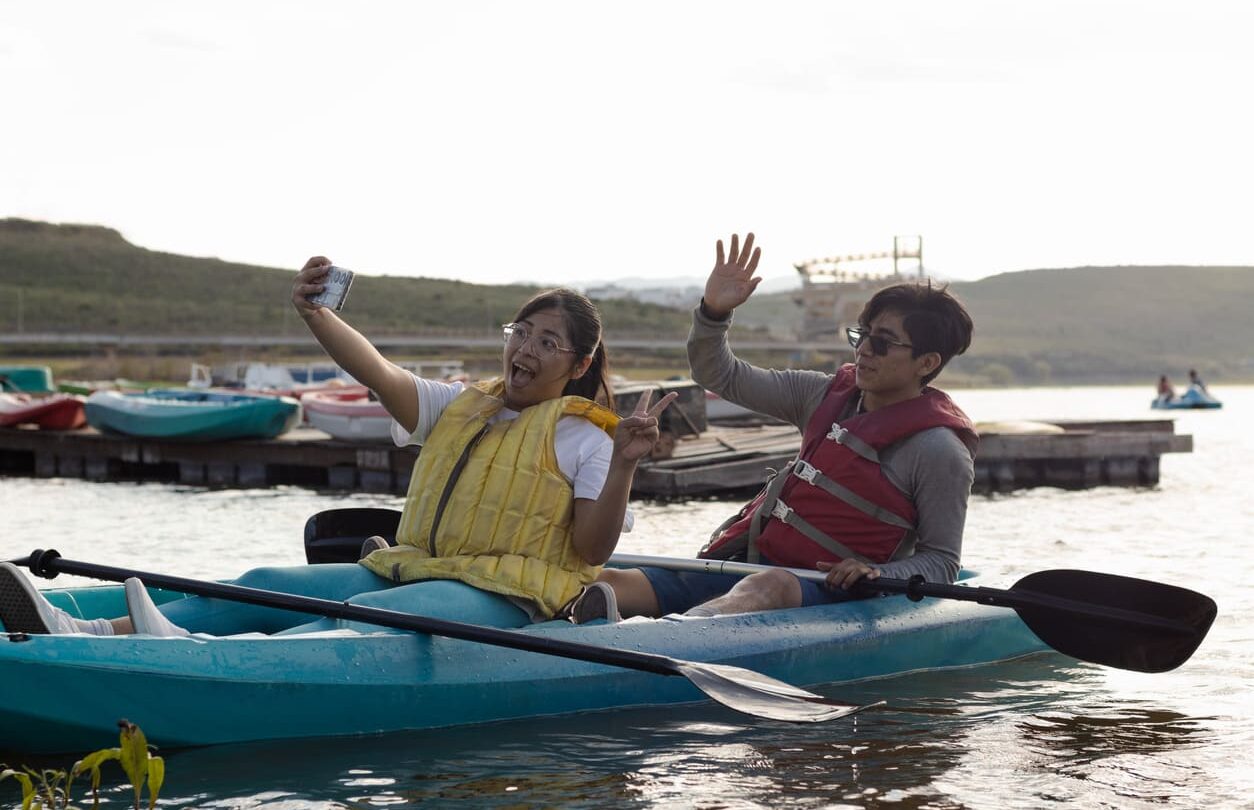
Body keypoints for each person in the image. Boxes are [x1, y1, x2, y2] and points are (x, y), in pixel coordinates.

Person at [0, 258, 675, 637]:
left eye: (546, 342)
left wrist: (623, 465)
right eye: (521, 332)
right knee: (265, 585)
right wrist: (317, 313)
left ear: (579, 363)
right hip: (419, 569)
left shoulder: (588, 435)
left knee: (361, 616)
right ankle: (91, 635)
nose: (524, 349)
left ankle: (179, 654)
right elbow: (378, 373)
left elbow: (591, 551)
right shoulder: (462, 405)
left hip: (513, 598)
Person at [572, 232, 978, 623]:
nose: (864, 350)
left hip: (829, 593)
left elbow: (942, 561)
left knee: (771, 585)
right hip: (745, 566)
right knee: (609, 580)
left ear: (927, 363)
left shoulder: (939, 450)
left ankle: (668, 636)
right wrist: (714, 313)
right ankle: (573, 619)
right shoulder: (820, 395)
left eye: (883, 343)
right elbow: (720, 374)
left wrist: (877, 572)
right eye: (862, 335)